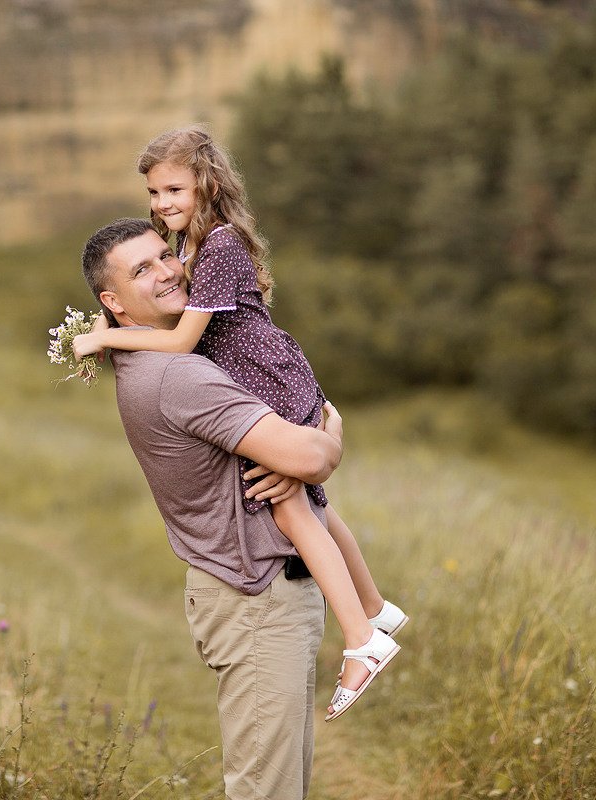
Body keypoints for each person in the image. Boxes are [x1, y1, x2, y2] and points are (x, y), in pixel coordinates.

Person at [74, 126, 406, 721]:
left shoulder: (219, 247)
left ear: (207, 183)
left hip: (270, 374)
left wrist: (103, 336)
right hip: (268, 373)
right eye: (153, 193)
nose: (161, 203)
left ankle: (363, 640)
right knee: (313, 505)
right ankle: (376, 610)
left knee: (292, 507)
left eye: (173, 188)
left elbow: (178, 342)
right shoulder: (200, 248)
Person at [81, 217, 345, 799]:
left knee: (281, 786)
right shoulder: (179, 375)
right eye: (140, 270)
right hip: (254, 600)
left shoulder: (156, 360)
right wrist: (334, 431)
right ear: (112, 302)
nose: (168, 272)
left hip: (255, 593)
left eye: (164, 256)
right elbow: (310, 457)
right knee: (266, 791)